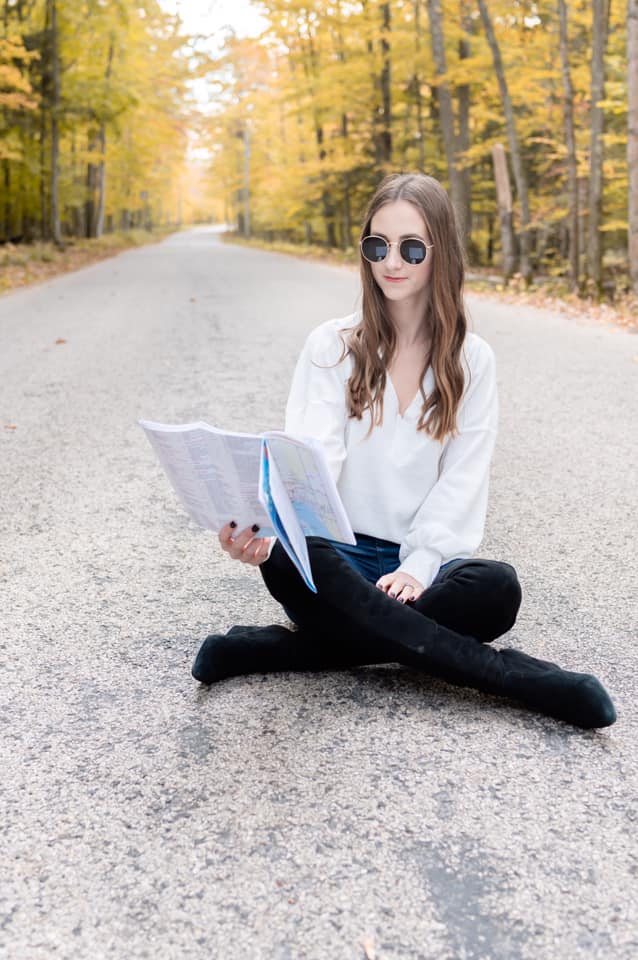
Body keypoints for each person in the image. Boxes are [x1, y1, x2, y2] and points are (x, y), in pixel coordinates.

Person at [192, 172, 616, 730]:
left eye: (411, 248)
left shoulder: (473, 361)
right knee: (298, 559)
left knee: (497, 587)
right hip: (335, 557)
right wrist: (267, 534)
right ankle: (509, 676)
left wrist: (417, 568)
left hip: (415, 565)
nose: (392, 261)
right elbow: (311, 465)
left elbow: (462, 479)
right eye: (378, 245)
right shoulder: (331, 345)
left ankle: (279, 650)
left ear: (441, 253)